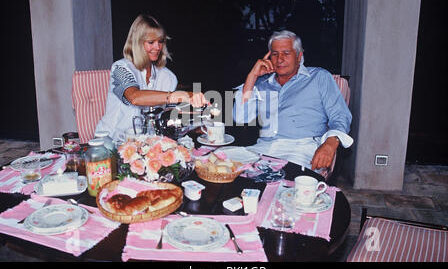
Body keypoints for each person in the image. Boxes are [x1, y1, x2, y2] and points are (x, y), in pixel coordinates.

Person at [233, 30, 353, 174]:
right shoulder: (261, 84)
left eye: (286, 53)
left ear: (299, 56)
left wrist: (331, 142)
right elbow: (240, 118)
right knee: (223, 167)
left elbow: (340, 115)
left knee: (283, 188)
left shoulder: (319, 77)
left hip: (301, 151)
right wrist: (251, 77)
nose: (279, 59)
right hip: (263, 149)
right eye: (275, 54)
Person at [95, 14, 207, 142]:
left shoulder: (168, 77)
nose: (158, 47)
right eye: (151, 42)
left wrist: (197, 124)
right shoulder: (120, 68)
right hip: (111, 141)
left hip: (147, 145)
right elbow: (135, 97)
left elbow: (167, 118)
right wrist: (183, 95)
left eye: (160, 41)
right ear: (137, 42)